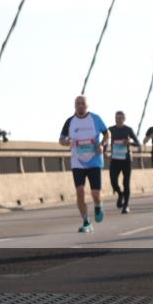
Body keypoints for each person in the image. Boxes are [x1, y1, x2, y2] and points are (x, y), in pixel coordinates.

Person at [59, 96, 109, 232]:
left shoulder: (95, 119)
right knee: (80, 192)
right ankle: (86, 221)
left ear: (87, 105)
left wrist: (103, 145)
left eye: (82, 103)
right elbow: (61, 139)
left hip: (95, 161)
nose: (80, 106)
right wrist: (65, 142)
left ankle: (98, 205)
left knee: (95, 195)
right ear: (74, 106)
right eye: (77, 104)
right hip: (77, 162)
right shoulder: (70, 122)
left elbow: (107, 134)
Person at [106, 111, 140, 213]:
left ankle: (126, 205)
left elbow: (137, 143)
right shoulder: (110, 129)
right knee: (113, 182)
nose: (118, 120)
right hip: (115, 159)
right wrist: (104, 151)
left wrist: (130, 142)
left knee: (126, 183)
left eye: (120, 118)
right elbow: (105, 141)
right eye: (117, 118)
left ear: (124, 119)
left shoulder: (128, 130)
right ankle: (120, 194)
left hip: (126, 160)